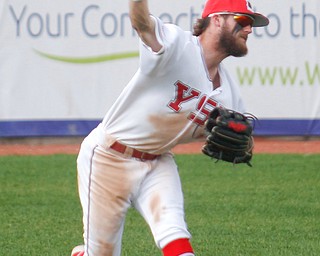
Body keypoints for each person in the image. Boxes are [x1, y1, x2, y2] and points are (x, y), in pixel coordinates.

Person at [71, 0, 269, 255]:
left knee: (175, 236)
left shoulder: (228, 94)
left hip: (158, 164)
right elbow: (142, 24)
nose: (249, 29)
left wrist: (243, 145)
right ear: (217, 20)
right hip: (108, 157)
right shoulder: (176, 45)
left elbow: (241, 142)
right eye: (243, 21)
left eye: (252, 23)